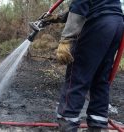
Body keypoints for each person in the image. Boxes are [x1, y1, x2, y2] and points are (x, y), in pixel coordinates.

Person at [43, 0, 124, 131]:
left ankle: (68, 123)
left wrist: (66, 39)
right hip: (116, 23)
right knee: (101, 78)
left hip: (97, 23)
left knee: (77, 75)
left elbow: (81, 3)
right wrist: (59, 17)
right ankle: (98, 126)